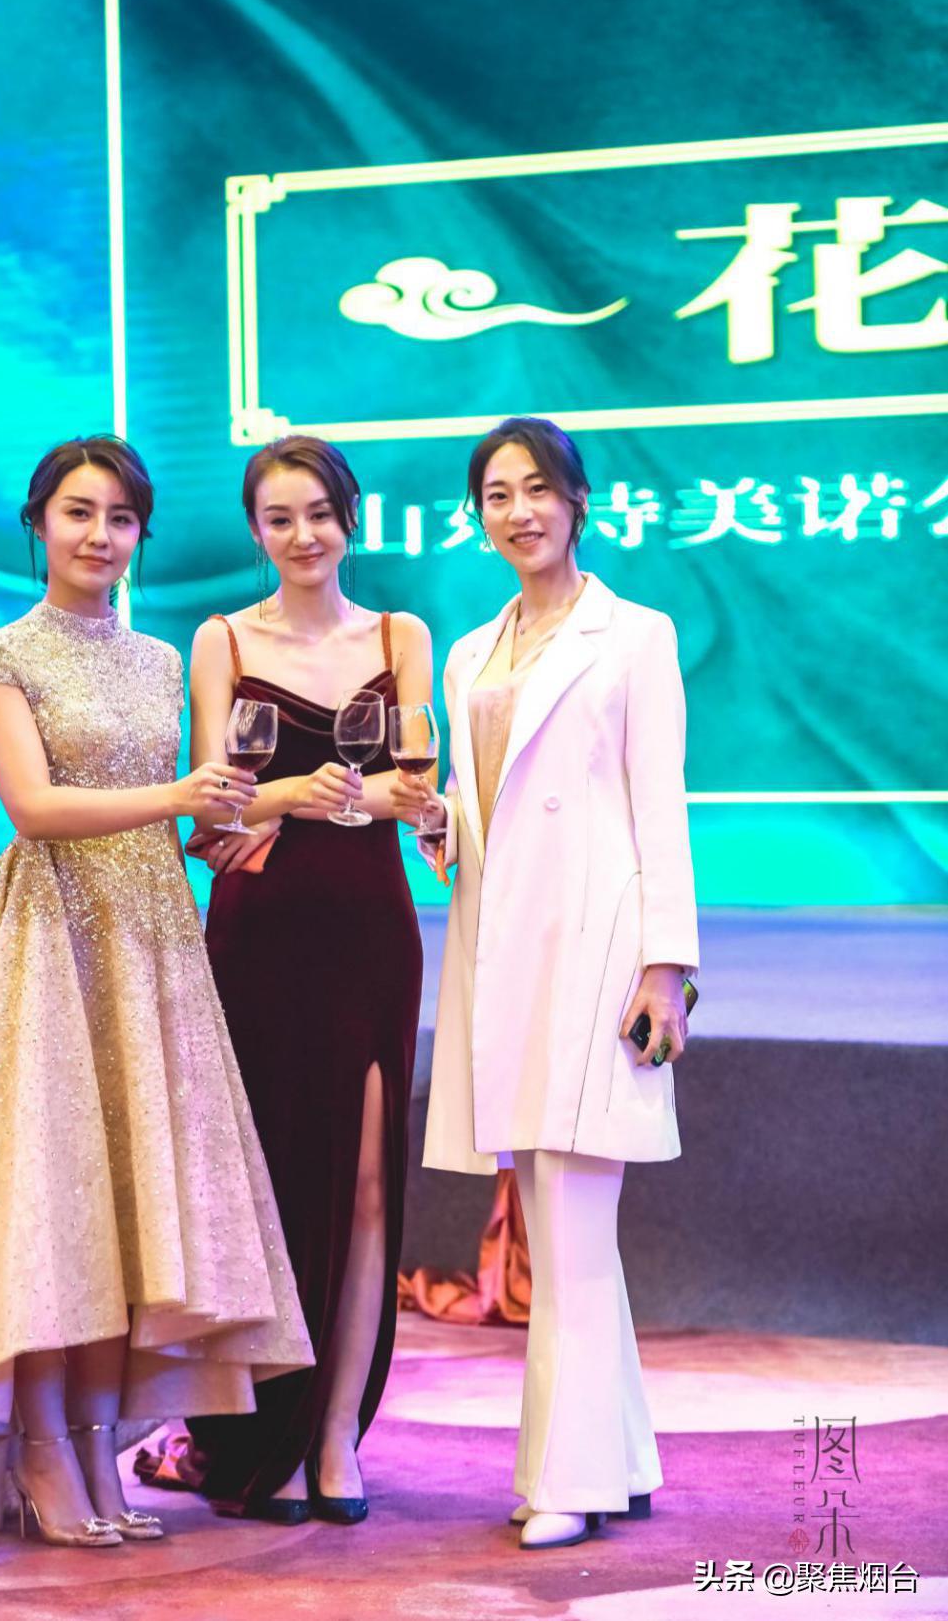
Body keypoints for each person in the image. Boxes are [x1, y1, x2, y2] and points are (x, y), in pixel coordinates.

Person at [0, 435, 312, 1548]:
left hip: (151, 935)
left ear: (142, 533)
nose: (100, 535)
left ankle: (99, 1443)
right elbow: (37, 808)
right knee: (53, 1202)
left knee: (126, 1208)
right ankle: (42, 1446)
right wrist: (178, 797)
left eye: (121, 517)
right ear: (39, 523)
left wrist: (235, 823)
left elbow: (172, 812)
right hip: (52, 936)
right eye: (78, 512)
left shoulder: (156, 659)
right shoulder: (0, 651)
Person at [392, 416, 698, 1551]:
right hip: (504, 954)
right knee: (563, 1224)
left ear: (576, 501)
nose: (518, 511)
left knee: (568, 1227)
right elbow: (487, 808)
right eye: (496, 494)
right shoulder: (472, 651)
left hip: (598, 953)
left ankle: (564, 1477)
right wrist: (441, 822)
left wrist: (666, 966)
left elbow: (659, 804)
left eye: (536, 489)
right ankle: (621, 1459)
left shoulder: (636, 636)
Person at [155, 435, 428, 1524]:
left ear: (349, 518)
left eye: (319, 512)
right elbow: (209, 803)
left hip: (369, 928)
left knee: (364, 1186)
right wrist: (287, 795)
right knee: (260, 1183)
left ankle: (334, 1434)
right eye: (280, 517)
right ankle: (256, 1430)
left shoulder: (400, 635)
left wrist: (390, 798)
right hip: (259, 933)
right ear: (256, 530)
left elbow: (417, 786)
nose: (303, 534)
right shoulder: (221, 638)